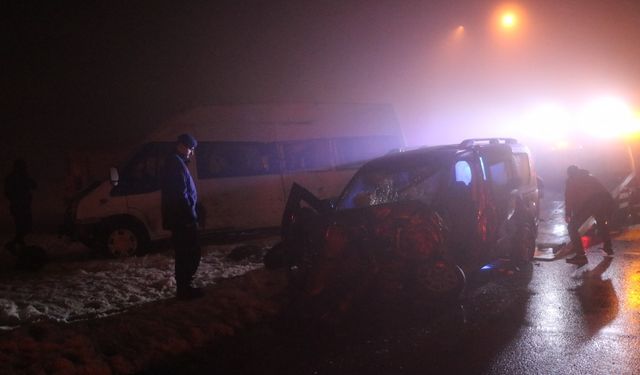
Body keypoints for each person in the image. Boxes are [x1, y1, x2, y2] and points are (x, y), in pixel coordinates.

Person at [161, 134, 204, 300]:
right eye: (191, 148)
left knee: (186, 253)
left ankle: (185, 287)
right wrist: (188, 218)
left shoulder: (176, 162)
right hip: (183, 220)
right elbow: (180, 195)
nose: (191, 153)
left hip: (181, 218)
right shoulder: (175, 164)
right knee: (189, 254)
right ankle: (185, 289)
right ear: (181, 146)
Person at [564, 165, 615, 264]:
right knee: (601, 223)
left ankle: (580, 256)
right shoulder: (590, 177)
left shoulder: (571, 180)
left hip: (590, 203)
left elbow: (570, 198)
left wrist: (568, 213)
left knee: (572, 228)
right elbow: (604, 192)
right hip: (604, 201)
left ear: (570, 174)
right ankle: (608, 248)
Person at [4, 158, 37, 253]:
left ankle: (18, 244)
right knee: (22, 226)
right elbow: (7, 192)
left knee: (24, 226)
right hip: (19, 205)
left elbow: (34, 185)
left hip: (22, 205)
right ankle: (16, 244)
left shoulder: (18, 177)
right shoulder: (15, 178)